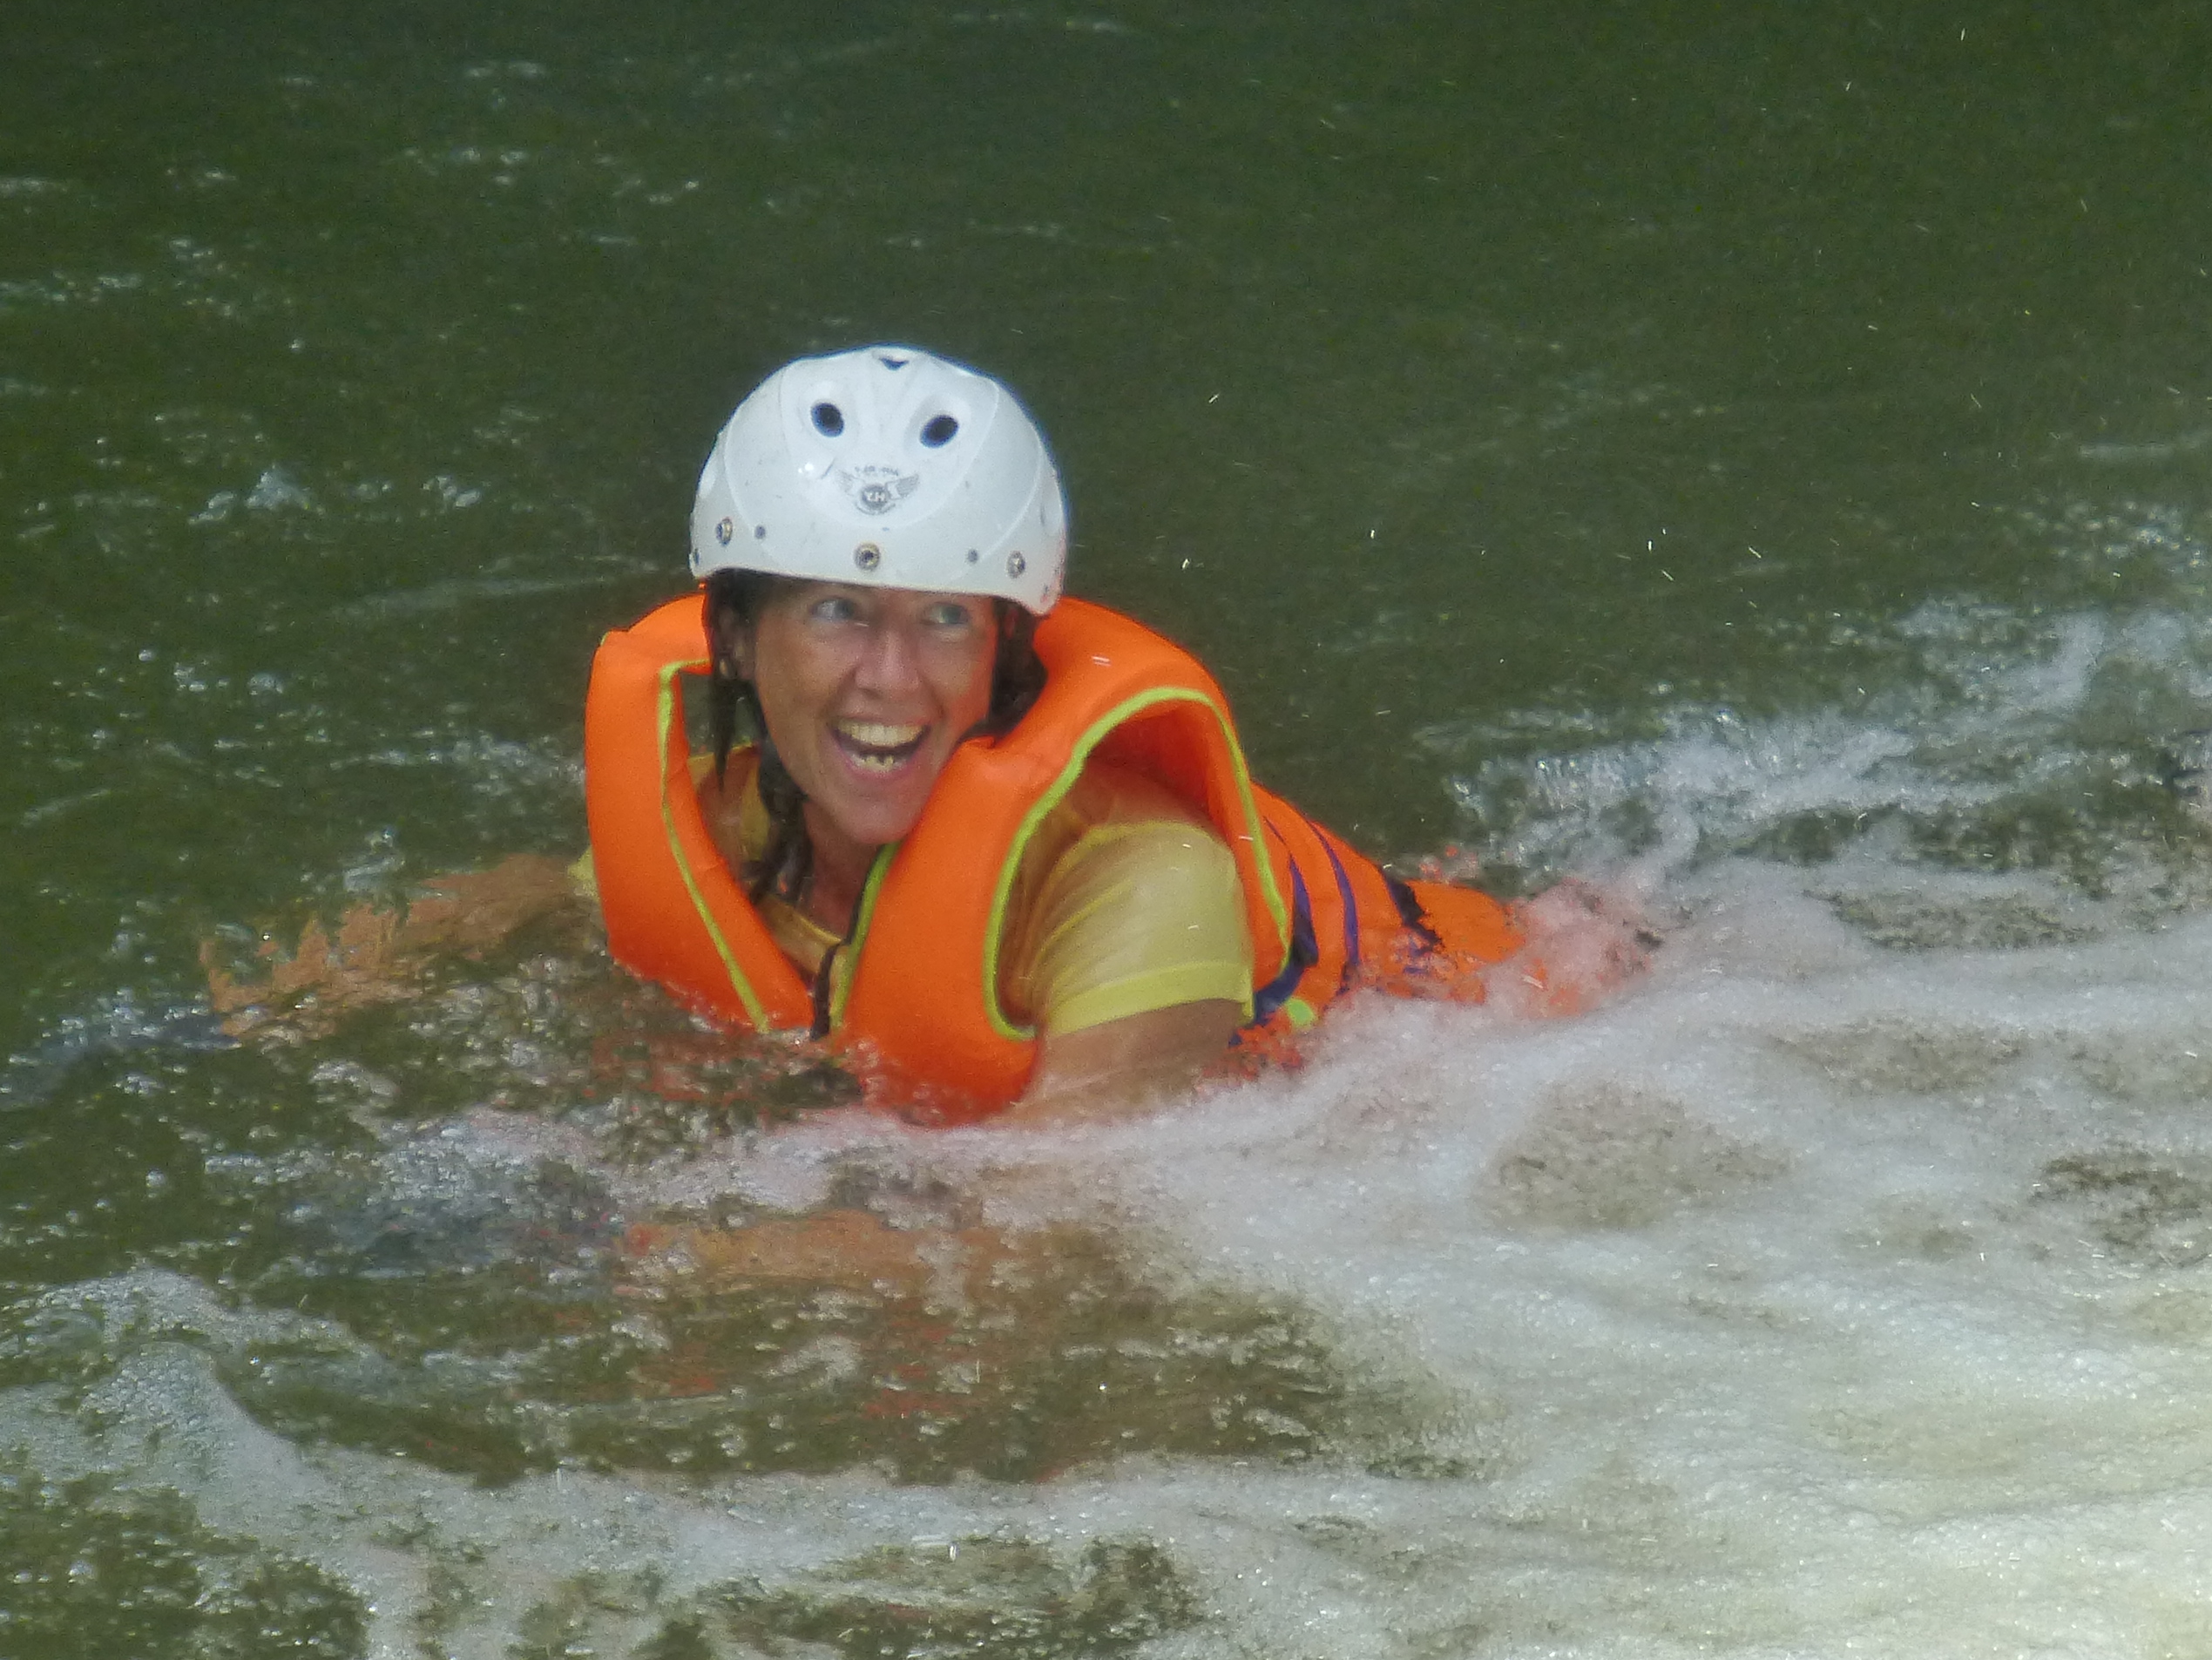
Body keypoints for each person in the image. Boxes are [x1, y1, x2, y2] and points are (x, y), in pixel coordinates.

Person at [213, 345, 1598, 1117]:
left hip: (1546, 1049)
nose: (891, 681)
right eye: (835, 611)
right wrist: (323, 983)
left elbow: (1057, 1239)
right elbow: (551, 900)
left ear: (1009, 650)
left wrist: (643, 1259)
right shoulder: (745, 811)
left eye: (945, 619)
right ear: (735, 642)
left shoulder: (1139, 881)